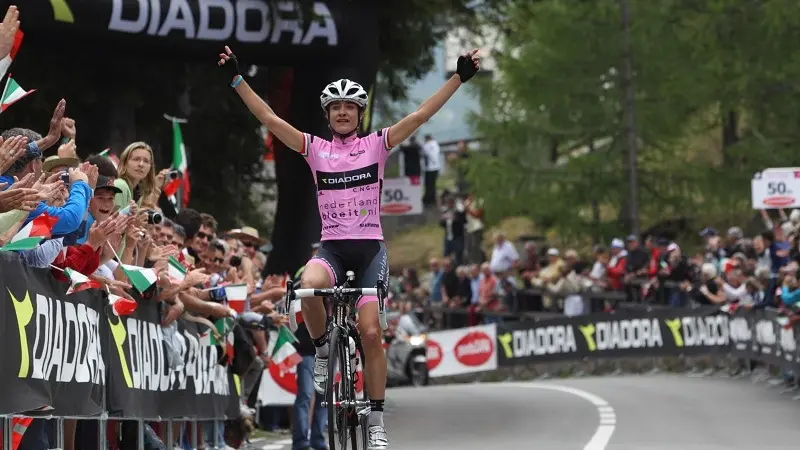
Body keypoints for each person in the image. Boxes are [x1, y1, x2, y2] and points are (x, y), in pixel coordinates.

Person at [218, 44, 480, 450]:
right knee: (308, 282)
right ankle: (323, 351)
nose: (342, 112)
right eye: (335, 107)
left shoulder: (377, 145)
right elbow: (269, 118)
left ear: (360, 114)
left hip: (369, 250)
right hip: (333, 251)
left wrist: (458, 77)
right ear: (328, 115)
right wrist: (237, 79)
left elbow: (421, 115)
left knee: (372, 332)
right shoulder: (315, 149)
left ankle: (375, 418)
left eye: (350, 107)